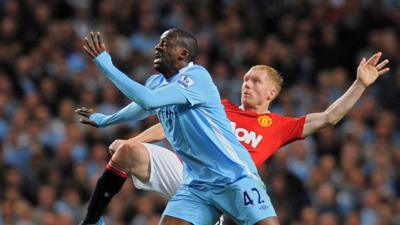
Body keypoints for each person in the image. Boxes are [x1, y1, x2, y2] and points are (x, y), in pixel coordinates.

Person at [77, 45, 389, 224]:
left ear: (272, 92)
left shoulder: (279, 126)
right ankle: (92, 220)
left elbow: (330, 117)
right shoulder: (218, 106)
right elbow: (168, 124)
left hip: (234, 185)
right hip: (192, 177)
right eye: (245, 79)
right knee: (128, 154)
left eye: (254, 81)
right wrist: (133, 141)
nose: (246, 84)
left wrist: (359, 84)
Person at [80, 29, 279, 225]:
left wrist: (107, 67)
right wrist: (106, 120)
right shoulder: (157, 82)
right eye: (158, 43)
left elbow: (148, 101)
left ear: (183, 53)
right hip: (196, 185)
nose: (157, 47)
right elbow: (140, 107)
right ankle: (92, 221)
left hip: (234, 177)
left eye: (165, 44)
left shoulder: (197, 77)